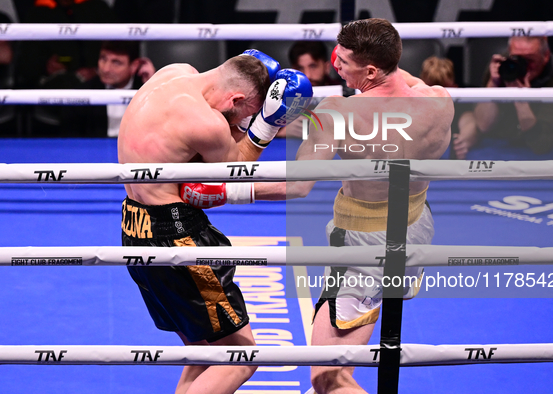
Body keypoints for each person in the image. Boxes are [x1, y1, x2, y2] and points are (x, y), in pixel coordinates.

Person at [181, 18, 453, 394]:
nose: (335, 65)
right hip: (415, 230)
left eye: (343, 60)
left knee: (328, 378)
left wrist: (225, 193)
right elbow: (395, 78)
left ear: (370, 70)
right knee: (345, 361)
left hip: (362, 246)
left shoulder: (338, 112)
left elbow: (298, 185)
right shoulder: (439, 101)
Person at [117, 50, 312, 394]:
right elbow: (235, 172)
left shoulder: (174, 72)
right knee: (242, 355)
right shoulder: (206, 124)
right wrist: (266, 126)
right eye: (245, 114)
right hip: (177, 237)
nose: (239, 123)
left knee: (203, 352)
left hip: (133, 226)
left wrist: (241, 121)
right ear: (236, 98)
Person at [460, 36, 553, 156]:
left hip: (540, 154)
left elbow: (541, 144)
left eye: (530, 60)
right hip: (499, 146)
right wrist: (493, 85)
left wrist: (521, 100)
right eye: (518, 58)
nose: (522, 65)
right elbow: (483, 126)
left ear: (545, 56)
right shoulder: (503, 67)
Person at [61, 41, 156, 137]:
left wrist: (153, 83)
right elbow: (71, 142)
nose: (106, 69)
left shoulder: (147, 89)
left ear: (134, 66)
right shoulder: (81, 95)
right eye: (103, 59)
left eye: (116, 62)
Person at [279, 41, 342, 138]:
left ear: (327, 67)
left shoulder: (344, 93)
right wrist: (279, 132)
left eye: (313, 66)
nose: (307, 75)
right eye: (300, 68)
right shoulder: (281, 96)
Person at [418, 56, 477, 159]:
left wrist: (462, 141)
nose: (437, 96)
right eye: (431, 88)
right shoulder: (413, 104)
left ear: (454, 87)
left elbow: (469, 122)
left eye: (442, 88)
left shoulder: (459, 106)